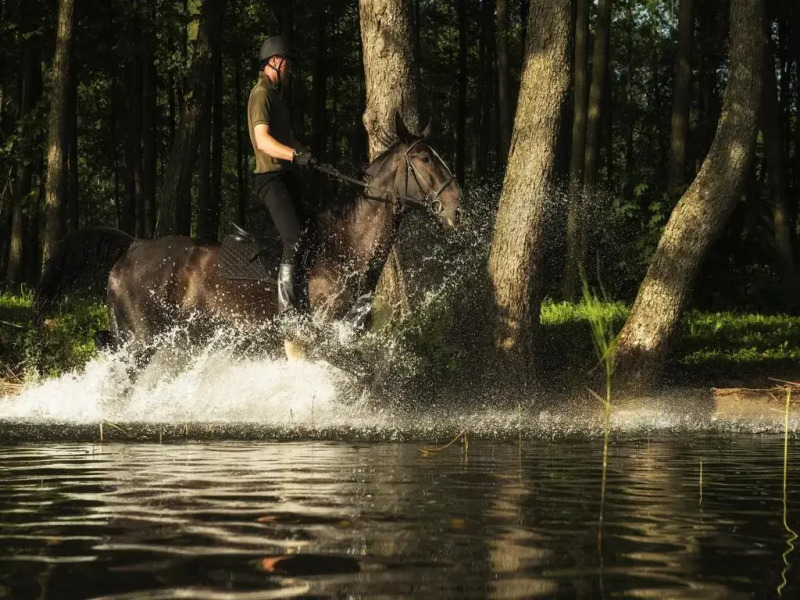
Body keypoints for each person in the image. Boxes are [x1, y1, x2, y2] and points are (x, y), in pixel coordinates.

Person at [247, 35, 317, 315]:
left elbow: (288, 140)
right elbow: (262, 141)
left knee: (311, 233)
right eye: (287, 63)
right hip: (270, 179)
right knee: (293, 238)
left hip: (286, 177)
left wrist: (306, 155)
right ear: (275, 61)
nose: (290, 69)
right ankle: (287, 312)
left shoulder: (277, 97)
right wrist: (294, 155)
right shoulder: (261, 94)